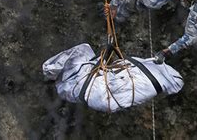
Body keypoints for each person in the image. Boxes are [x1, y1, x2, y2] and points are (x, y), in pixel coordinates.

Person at [43, 43, 184, 112]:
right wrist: (108, 52)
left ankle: (49, 73)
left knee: (84, 52)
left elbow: (109, 72)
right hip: (100, 98)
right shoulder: (147, 79)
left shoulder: (144, 72)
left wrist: (108, 51)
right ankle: (49, 73)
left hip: (98, 93)